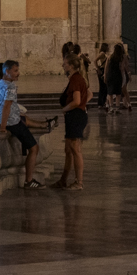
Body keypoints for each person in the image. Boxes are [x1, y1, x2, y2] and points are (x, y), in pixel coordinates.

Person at [0, 60, 53, 188]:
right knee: (34, 148)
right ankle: (29, 180)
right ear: (7, 72)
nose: (18, 73)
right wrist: (3, 127)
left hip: (1, 121)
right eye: (15, 71)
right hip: (12, 123)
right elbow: (7, 106)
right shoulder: (11, 86)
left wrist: (1, 123)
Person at [53, 49, 90, 189]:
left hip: (75, 116)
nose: (63, 66)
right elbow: (89, 93)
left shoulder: (75, 79)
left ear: (71, 66)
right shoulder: (78, 78)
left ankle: (79, 182)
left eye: (65, 64)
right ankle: (63, 180)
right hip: (74, 116)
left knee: (75, 149)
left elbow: (76, 101)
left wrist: (65, 109)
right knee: (68, 150)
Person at [108, 41, 131, 112]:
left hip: (121, 75)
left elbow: (125, 67)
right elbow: (126, 67)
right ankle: (126, 104)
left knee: (121, 90)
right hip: (121, 75)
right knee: (122, 90)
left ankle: (127, 104)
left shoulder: (122, 56)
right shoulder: (117, 57)